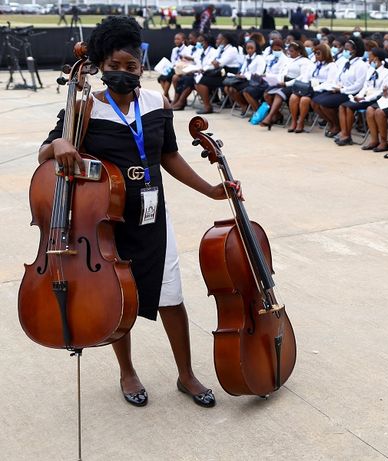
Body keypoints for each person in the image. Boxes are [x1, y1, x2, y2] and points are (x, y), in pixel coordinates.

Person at [39, 15, 239, 408]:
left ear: (141, 66)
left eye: (130, 66)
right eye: (114, 66)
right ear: (100, 66)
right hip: (106, 224)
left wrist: (210, 190)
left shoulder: (156, 103)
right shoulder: (84, 108)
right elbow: (47, 151)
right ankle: (127, 372)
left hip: (153, 216)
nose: (123, 73)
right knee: (118, 299)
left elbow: (169, 155)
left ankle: (186, 375)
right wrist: (59, 146)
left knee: (171, 297)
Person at [312, 38, 369, 139]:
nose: (344, 51)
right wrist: (336, 86)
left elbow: (358, 85)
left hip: (350, 93)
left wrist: (342, 90)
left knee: (325, 103)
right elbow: (337, 78)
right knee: (315, 102)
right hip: (338, 90)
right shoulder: (344, 62)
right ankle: (332, 124)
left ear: (354, 50)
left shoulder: (361, 65)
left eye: (347, 49)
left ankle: (337, 125)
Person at [289, 43, 337, 133]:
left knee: (304, 100)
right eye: (315, 53)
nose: (316, 55)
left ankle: (301, 122)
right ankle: (294, 121)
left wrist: (316, 88)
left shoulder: (331, 66)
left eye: (318, 53)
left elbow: (330, 82)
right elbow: (306, 76)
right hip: (309, 88)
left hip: (321, 90)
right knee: (293, 97)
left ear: (325, 54)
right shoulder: (314, 64)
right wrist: (304, 86)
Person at [193, 32, 242, 114]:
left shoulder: (232, 50)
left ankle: (208, 106)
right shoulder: (220, 49)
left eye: (219, 39)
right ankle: (207, 105)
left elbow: (219, 63)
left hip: (228, 75)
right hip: (220, 73)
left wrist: (213, 64)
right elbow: (212, 61)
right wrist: (209, 66)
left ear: (225, 40)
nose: (217, 40)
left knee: (201, 81)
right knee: (198, 81)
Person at [224, 40, 264, 116]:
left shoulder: (259, 58)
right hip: (243, 79)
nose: (249, 50)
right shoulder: (246, 57)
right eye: (247, 48)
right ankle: (243, 104)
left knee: (233, 88)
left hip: (253, 81)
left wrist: (246, 75)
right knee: (227, 88)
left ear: (256, 48)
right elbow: (243, 70)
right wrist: (239, 74)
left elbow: (259, 74)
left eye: (251, 48)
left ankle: (245, 105)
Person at [157, 32, 189, 100]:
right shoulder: (174, 50)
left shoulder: (187, 50)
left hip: (181, 69)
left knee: (169, 77)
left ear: (183, 40)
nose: (176, 41)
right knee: (161, 78)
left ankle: (165, 96)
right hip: (173, 68)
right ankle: (167, 97)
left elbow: (186, 63)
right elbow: (172, 61)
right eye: (175, 39)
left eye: (178, 39)